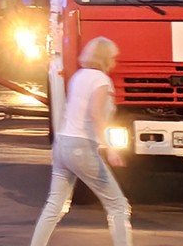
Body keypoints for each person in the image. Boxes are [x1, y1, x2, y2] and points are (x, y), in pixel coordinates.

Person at [27, 37, 131, 246]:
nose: (115, 62)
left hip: (62, 144)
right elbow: (96, 114)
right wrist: (108, 147)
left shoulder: (78, 76)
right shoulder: (101, 80)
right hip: (82, 148)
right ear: (105, 58)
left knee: (54, 205)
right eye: (113, 57)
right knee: (118, 205)